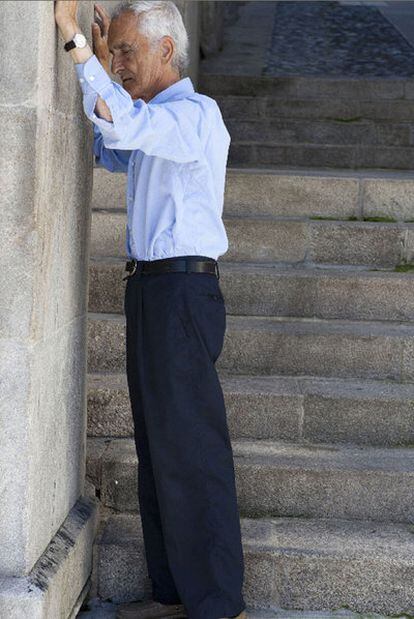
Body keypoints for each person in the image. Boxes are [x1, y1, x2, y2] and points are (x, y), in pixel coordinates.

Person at [54, 2, 247, 618]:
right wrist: (102, 76)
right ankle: (174, 595)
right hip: (151, 291)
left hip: (182, 294)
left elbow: (125, 127)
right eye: (114, 52)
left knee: (191, 449)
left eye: (128, 51)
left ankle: (217, 604)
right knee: (159, 449)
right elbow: (111, 146)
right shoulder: (153, 118)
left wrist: (76, 42)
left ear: (167, 51)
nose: (118, 61)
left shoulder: (194, 116)